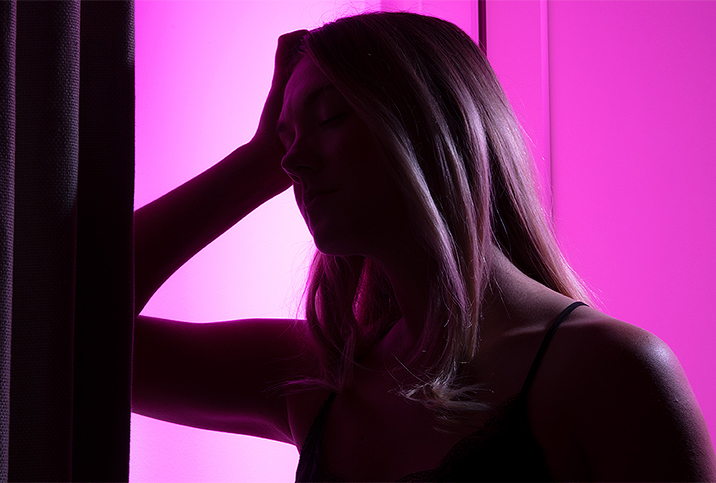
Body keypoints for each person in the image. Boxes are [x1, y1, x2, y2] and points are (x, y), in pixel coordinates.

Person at [132, 12, 716, 482]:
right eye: (286, 138)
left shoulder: (610, 372)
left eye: (331, 116)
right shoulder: (325, 374)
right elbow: (69, 334)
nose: (293, 159)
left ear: (434, 125)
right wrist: (257, 163)